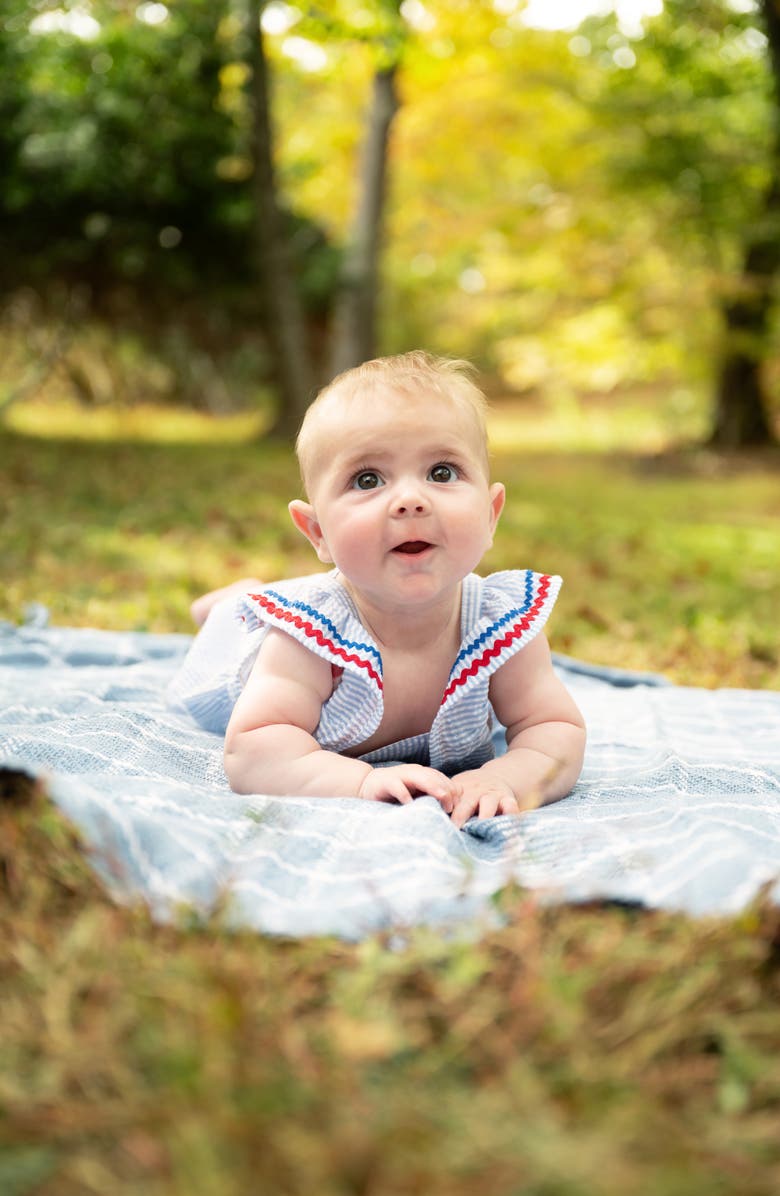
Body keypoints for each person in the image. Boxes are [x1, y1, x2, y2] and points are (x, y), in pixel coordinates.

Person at [169, 351, 586, 828]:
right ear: (318, 533)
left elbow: (554, 729)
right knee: (232, 620)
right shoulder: (307, 637)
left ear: (490, 516)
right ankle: (228, 604)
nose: (410, 500)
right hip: (236, 655)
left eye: (442, 472)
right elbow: (252, 751)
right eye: (367, 479)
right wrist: (360, 782)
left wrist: (505, 779)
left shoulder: (501, 625)